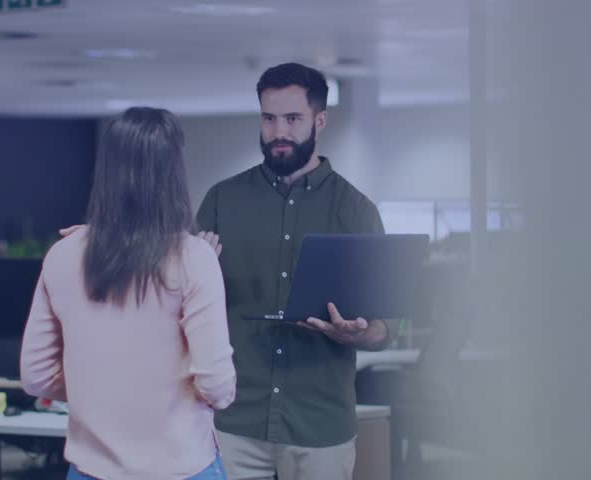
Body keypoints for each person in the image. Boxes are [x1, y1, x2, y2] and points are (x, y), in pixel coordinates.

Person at [195, 62, 394, 480]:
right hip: (233, 421)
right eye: (269, 118)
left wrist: (356, 332)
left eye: (292, 119)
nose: (278, 131)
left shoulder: (356, 211)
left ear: (319, 120)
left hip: (319, 426)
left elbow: (384, 328)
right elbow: (181, 305)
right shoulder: (221, 201)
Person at [20, 107, 235, 480]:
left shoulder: (63, 254)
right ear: (173, 172)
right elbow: (218, 387)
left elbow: (36, 377)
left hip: (91, 471)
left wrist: (101, 389)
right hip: (180, 469)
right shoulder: (193, 258)